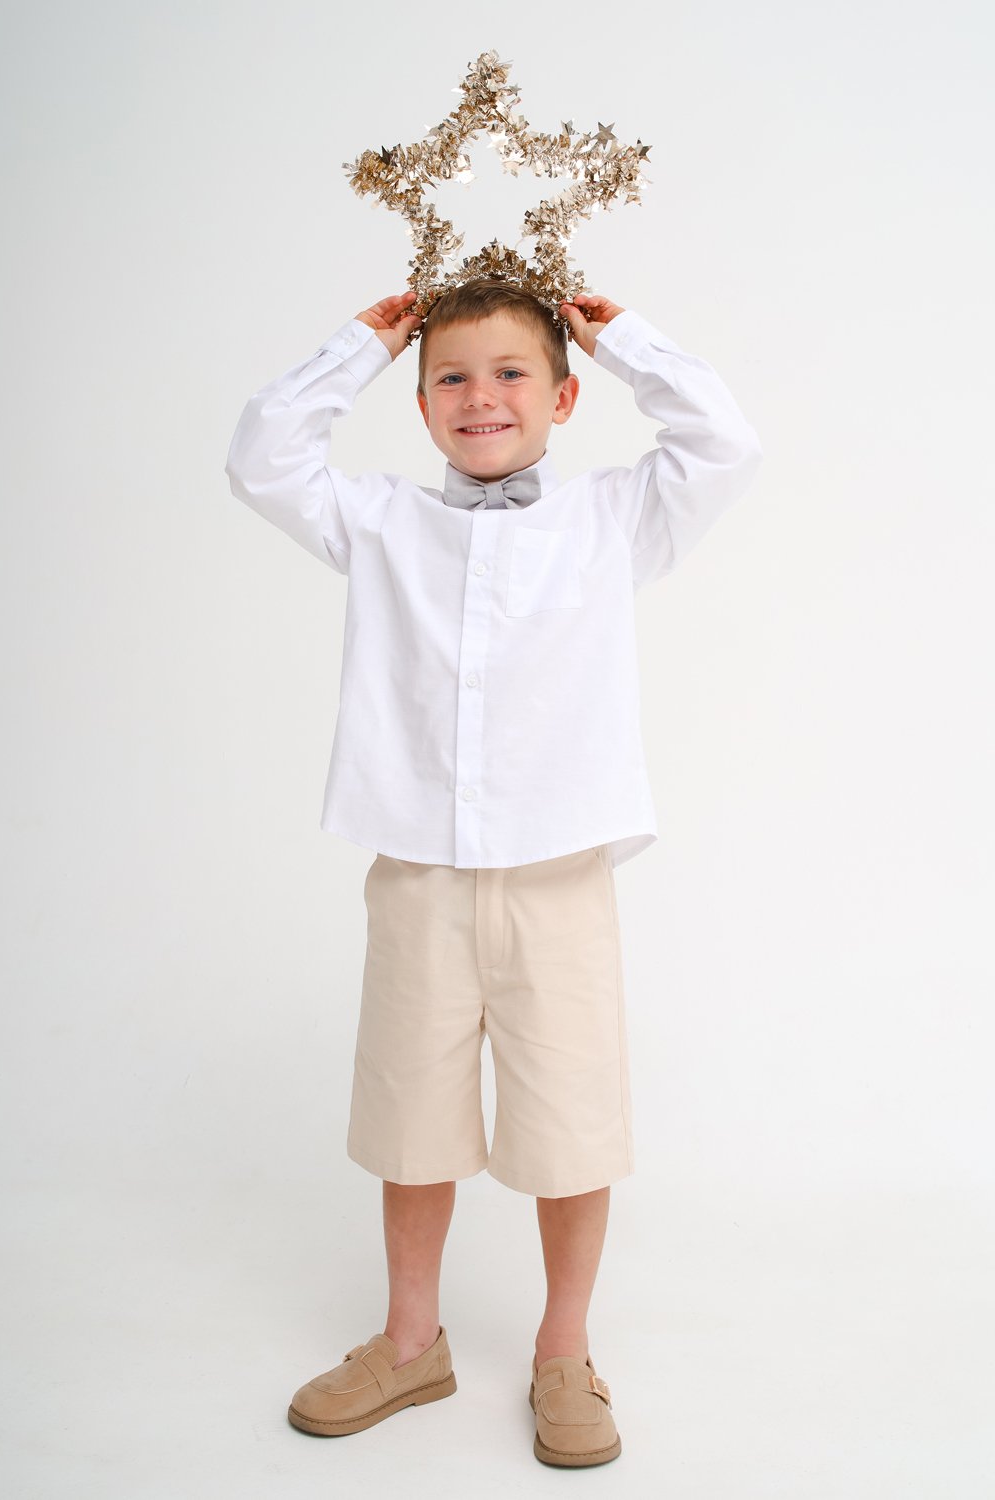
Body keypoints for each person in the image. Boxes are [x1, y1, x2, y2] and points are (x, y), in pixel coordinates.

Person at [224, 279, 762, 1466]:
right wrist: (358, 347)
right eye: (452, 377)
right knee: (409, 1119)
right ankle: (410, 1341)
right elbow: (261, 457)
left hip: (558, 877)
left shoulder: (615, 517)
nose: (482, 397)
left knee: (571, 1123)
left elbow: (724, 440)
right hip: (418, 873)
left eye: (512, 373)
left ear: (563, 399)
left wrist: (623, 340)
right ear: (420, 404)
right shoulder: (377, 523)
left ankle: (563, 1350)